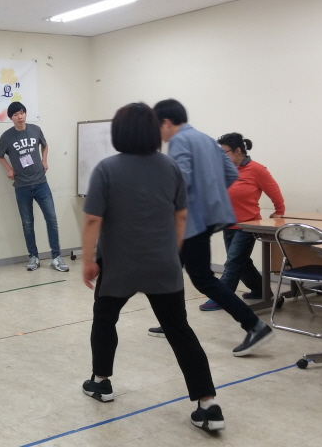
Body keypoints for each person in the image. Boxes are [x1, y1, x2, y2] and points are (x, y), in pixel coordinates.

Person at [81, 103, 224, 432]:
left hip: (118, 266)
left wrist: (88, 260)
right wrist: (171, 253)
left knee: (105, 320)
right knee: (179, 330)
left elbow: (92, 220)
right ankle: (208, 405)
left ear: (119, 132)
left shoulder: (106, 169)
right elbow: (181, 216)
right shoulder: (170, 167)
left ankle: (101, 382)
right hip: (163, 265)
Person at [147, 99, 274, 357]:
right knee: (174, 270)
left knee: (201, 278)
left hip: (188, 222)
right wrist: (209, 200)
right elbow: (231, 174)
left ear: (166, 122)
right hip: (203, 219)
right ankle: (174, 322)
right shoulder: (205, 139)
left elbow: (180, 180)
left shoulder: (179, 141)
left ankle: (254, 325)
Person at [0, 102, 68, 272]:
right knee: (27, 223)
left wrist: (44, 160)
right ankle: (33, 257)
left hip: (41, 183)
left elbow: (45, 145)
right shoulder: (7, 136)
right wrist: (9, 169)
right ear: (11, 118)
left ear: (25, 114)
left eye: (22, 113)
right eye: (16, 114)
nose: (20, 117)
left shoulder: (35, 130)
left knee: (51, 219)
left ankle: (56, 257)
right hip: (22, 186)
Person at [217, 132, 285, 303]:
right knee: (242, 262)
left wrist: (279, 210)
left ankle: (222, 298)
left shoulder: (256, 170)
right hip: (227, 224)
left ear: (237, 150)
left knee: (233, 263)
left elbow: (274, 191)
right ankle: (261, 290)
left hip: (247, 225)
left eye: (224, 152)